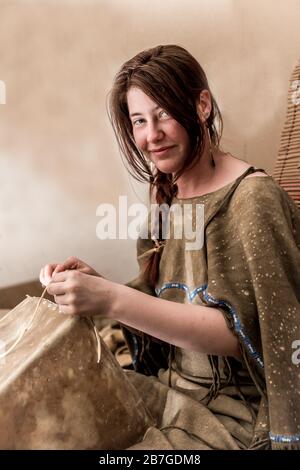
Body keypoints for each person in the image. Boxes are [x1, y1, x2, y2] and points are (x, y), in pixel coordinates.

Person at [40, 45, 300, 450]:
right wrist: (98, 286)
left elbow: (251, 333)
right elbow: (166, 303)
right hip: (173, 395)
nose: (151, 135)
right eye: (139, 120)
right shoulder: (169, 195)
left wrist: (112, 300)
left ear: (202, 105)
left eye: (163, 113)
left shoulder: (252, 200)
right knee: (49, 413)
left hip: (233, 419)